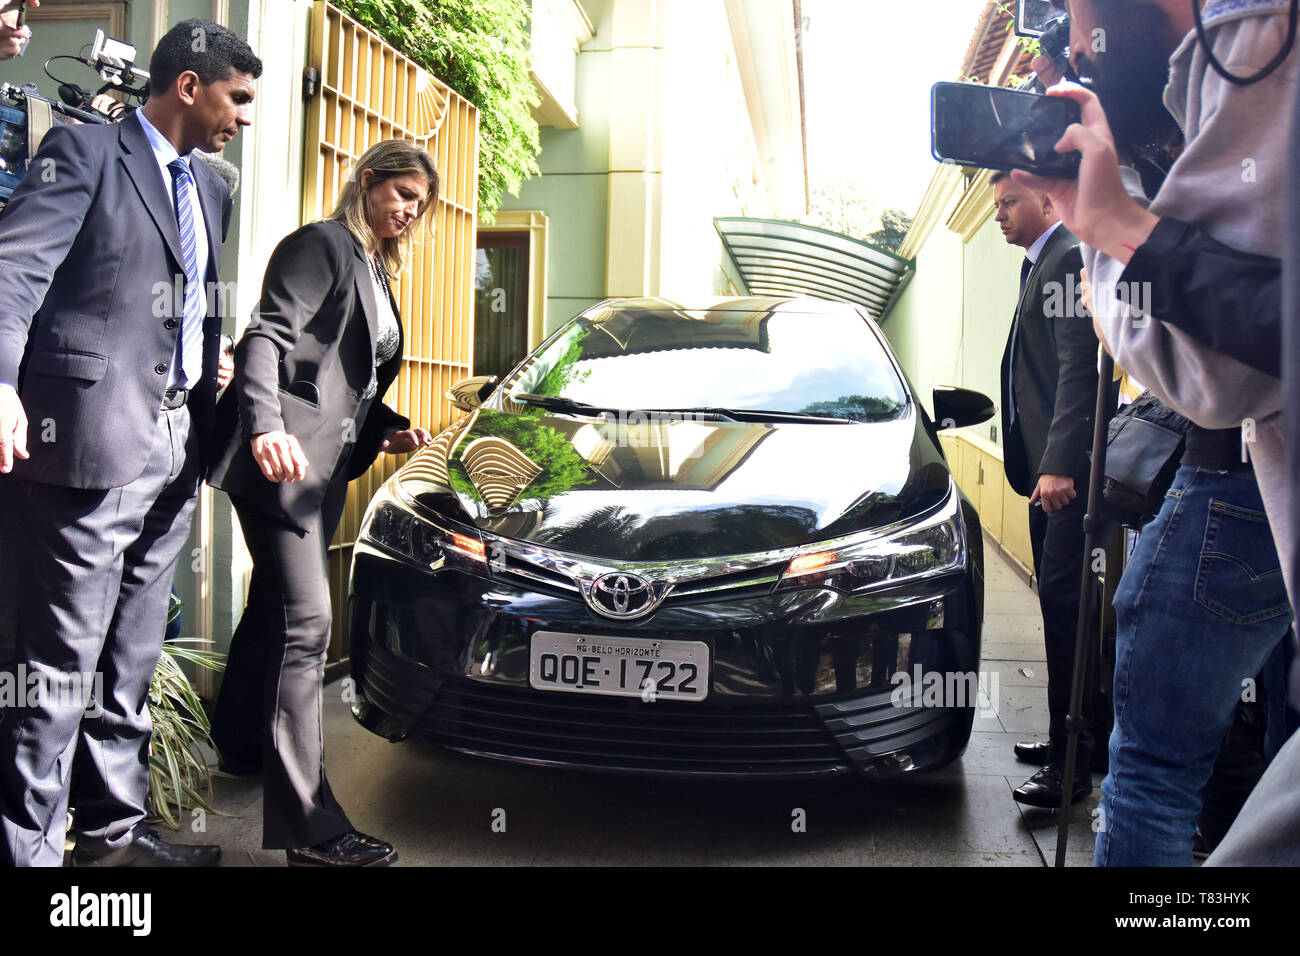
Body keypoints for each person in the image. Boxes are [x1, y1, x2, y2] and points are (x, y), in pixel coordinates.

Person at [1017, 0, 1297, 865]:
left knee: (1151, 757)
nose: (1072, 32)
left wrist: (1109, 225)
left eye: (1069, 9)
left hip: (1228, 478)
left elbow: (1215, 370)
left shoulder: (1253, 37)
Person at [0, 18, 260, 867]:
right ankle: (30, 859)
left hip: (179, 440)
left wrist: (202, 345)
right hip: (85, 441)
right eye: (238, 97)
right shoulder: (83, 155)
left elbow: (189, 287)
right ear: (189, 85)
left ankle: (108, 843)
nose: (245, 116)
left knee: (130, 661)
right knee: (57, 669)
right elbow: (15, 273)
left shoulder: (212, 185)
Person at [206, 139, 437, 867]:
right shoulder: (322, 244)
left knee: (274, 607)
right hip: (284, 460)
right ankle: (311, 831)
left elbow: (344, 375)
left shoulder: (373, 266)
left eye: (419, 203)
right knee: (308, 626)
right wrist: (266, 427)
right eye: (401, 194)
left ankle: (242, 747)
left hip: (323, 467)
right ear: (367, 181)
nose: (410, 211)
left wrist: (386, 426)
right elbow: (267, 337)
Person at [991, 170, 1102, 808]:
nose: (1001, 214)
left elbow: (1080, 371)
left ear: (1046, 200)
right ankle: (1068, 744)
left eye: (1010, 202)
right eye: (998, 204)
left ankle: (1072, 768)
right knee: (1060, 612)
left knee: (1069, 615)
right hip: (1045, 478)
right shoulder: (1042, 262)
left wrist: (1059, 463)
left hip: (1065, 480)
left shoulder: (1064, 259)